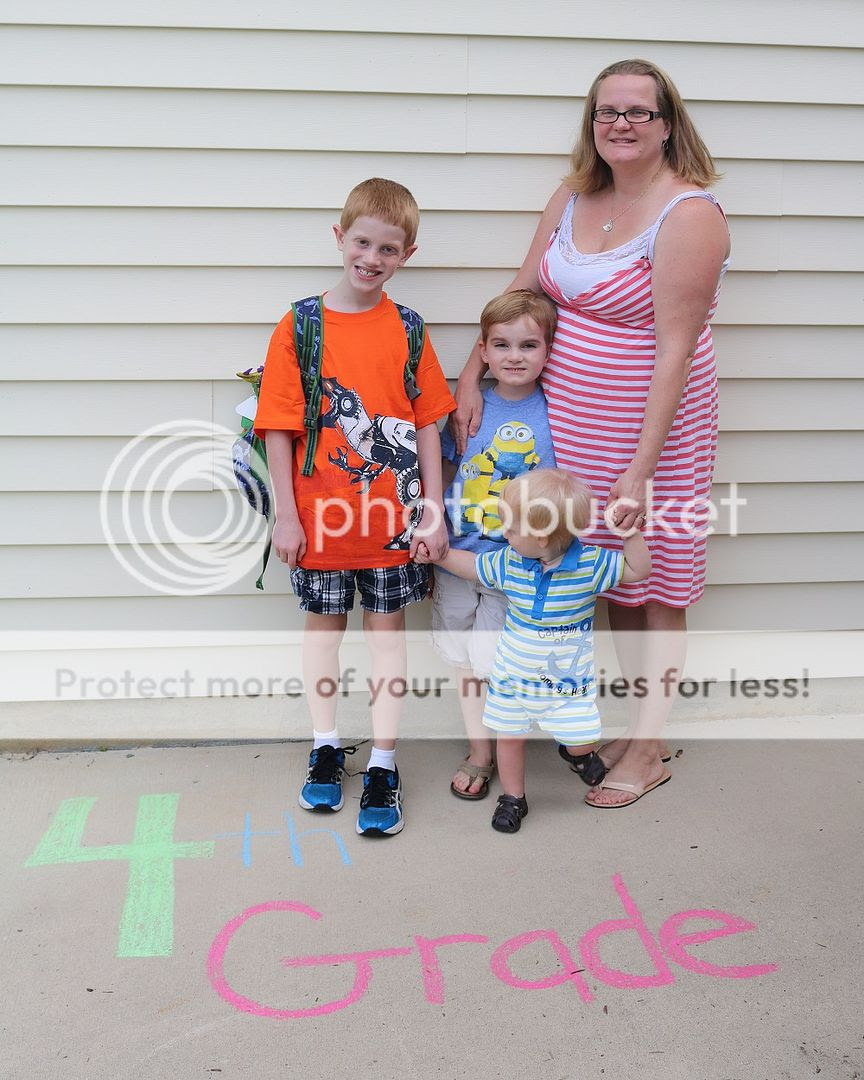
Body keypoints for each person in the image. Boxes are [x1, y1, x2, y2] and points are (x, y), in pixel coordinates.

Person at [451, 59, 730, 808]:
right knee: (607, 576)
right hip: (573, 424)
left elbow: (675, 348)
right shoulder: (573, 195)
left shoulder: (689, 214)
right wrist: (470, 375)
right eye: (608, 111)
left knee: (658, 582)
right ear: (592, 122)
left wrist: (641, 469)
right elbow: (523, 288)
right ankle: (636, 730)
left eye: (639, 111)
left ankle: (650, 744)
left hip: (656, 431)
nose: (621, 124)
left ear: (667, 124)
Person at [254, 177, 455, 836]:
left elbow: (427, 424)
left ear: (407, 254)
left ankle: (384, 762)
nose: (372, 258)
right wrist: (286, 515)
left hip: (391, 527)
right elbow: (278, 426)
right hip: (320, 525)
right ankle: (324, 746)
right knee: (323, 636)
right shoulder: (301, 326)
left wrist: (431, 509)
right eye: (362, 243)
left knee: (387, 640)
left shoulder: (407, 328)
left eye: (388, 249)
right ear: (340, 238)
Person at [418, 469, 652, 832]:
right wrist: (439, 556)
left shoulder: (590, 565)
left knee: (582, 739)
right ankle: (513, 798)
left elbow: (638, 569)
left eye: (511, 529)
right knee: (509, 740)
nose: (503, 534)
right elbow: (473, 567)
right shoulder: (510, 562)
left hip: (567, 687)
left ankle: (577, 754)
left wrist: (630, 534)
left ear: (540, 537)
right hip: (512, 680)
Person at [432, 289, 558, 800]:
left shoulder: (556, 412)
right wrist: (431, 526)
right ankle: (479, 751)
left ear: (549, 349)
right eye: (501, 345)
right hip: (456, 556)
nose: (514, 357)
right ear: (482, 350)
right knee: (463, 661)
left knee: (499, 664)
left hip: (514, 565)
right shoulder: (469, 406)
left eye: (529, 345)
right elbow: (444, 469)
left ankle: (509, 750)